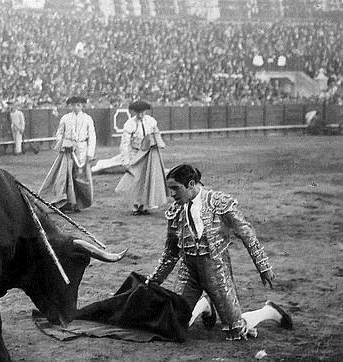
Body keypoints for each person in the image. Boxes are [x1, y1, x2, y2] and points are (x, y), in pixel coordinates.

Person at [145, 164, 293, 340]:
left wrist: (263, 266)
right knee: (174, 325)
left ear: (191, 184)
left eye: (176, 188)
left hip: (216, 269)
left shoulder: (219, 202)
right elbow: (171, 253)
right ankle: (204, 305)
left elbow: (246, 232)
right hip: (188, 271)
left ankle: (268, 311)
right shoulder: (176, 210)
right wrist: (153, 281)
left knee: (236, 330)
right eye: (170, 189)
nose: (172, 195)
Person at [38, 96, 96, 213]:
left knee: (79, 177)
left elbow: (92, 137)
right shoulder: (65, 118)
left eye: (78, 105)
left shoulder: (87, 118)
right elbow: (59, 133)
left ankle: (77, 204)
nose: (76, 107)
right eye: (73, 105)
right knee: (65, 175)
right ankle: (64, 202)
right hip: (68, 150)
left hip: (82, 149)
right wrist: (64, 143)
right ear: (70, 106)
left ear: (82, 106)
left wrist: (90, 154)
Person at [114, 100, 168, 215]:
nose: (140, 115)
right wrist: (126, 160)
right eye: (138, 112)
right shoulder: (130, 123)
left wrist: (160, 144)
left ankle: (144, 206)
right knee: (135, 179)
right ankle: (135, 207)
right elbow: (125, 143)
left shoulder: (151, 121)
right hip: (135, 153)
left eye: (142, 112)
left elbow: (156, 133)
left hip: (149, 154)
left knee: (147, 179)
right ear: (134, 112)